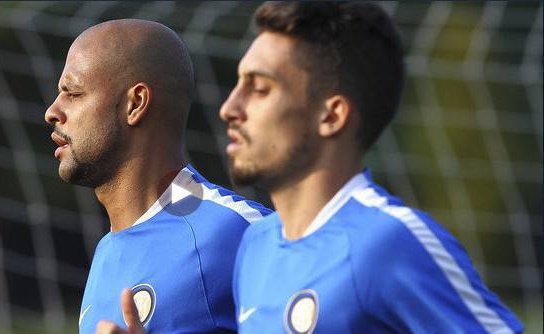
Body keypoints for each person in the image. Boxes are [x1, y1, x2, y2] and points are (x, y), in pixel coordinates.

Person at [220, 2, 524, 333]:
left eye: (260, 88)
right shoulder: (256, 244)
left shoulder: (388, 242)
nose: (229, 108)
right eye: (238, 84)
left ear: (332, 116)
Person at [44, 19, 271, 334]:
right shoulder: (106, 254)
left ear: (135, 104)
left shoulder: (241, 232)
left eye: (73, 93)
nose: (52, 111)